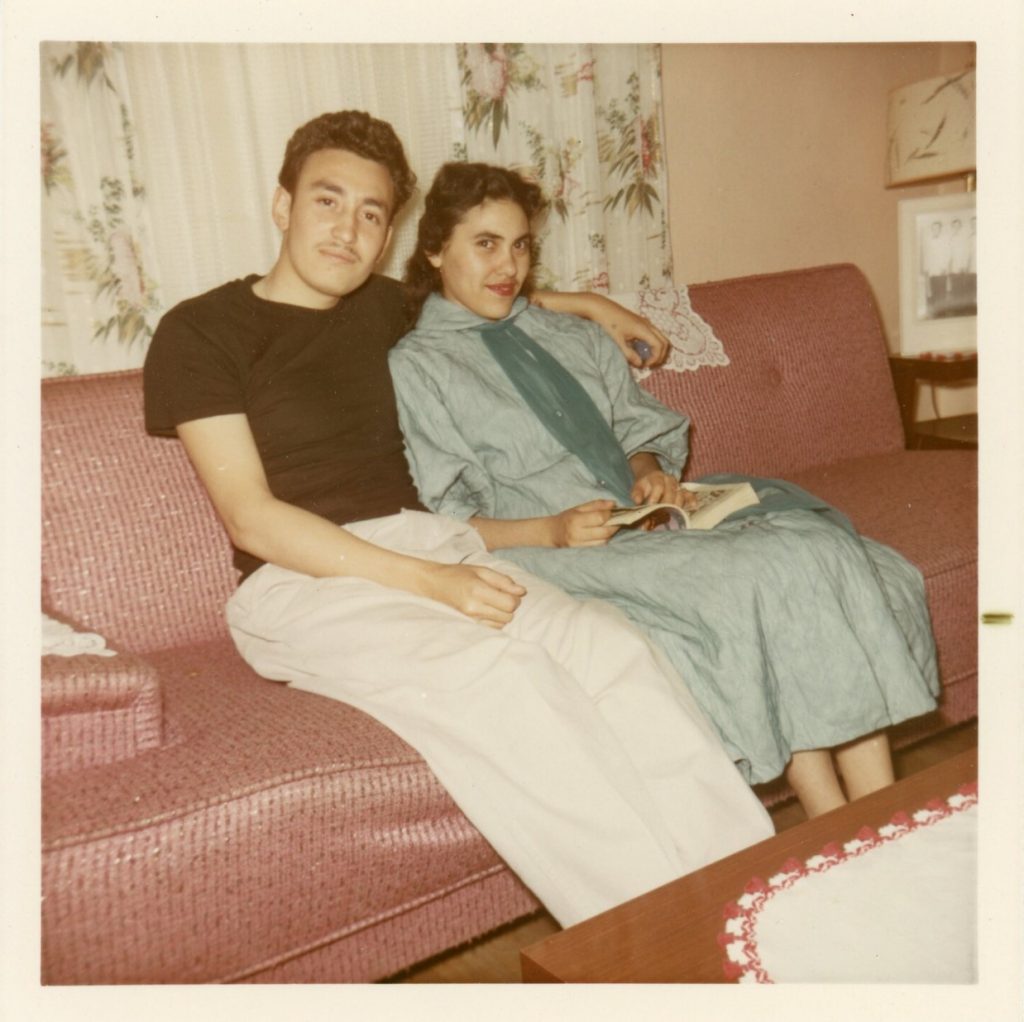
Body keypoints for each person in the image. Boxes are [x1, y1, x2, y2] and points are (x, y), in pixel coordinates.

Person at [142, 111, 773, 928]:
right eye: (328, 202)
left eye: (372, 214)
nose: (348, 229)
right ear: (282, 204)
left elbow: (489, 290)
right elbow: (253, 518)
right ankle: (656, 946)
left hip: (428, 546)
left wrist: (589, 306)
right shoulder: (205, 329)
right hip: (300, 581)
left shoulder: (382, 311)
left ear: (391, 230)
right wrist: (429, 579)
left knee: (610, 647)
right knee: (508, 681)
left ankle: (754, 907)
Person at [391, 161, 942, 819]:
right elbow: (448, 519)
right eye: (485, 244)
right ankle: (844, 817)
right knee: (780, 566)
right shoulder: (419, 366)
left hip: (640, 516)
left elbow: (634, 427)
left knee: (817, 547)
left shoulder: (568, 332)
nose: (508, 264)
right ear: (434, 250)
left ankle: (869, 813)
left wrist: (648, 469)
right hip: (550, 546)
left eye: (520, 244)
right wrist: (552, 530)